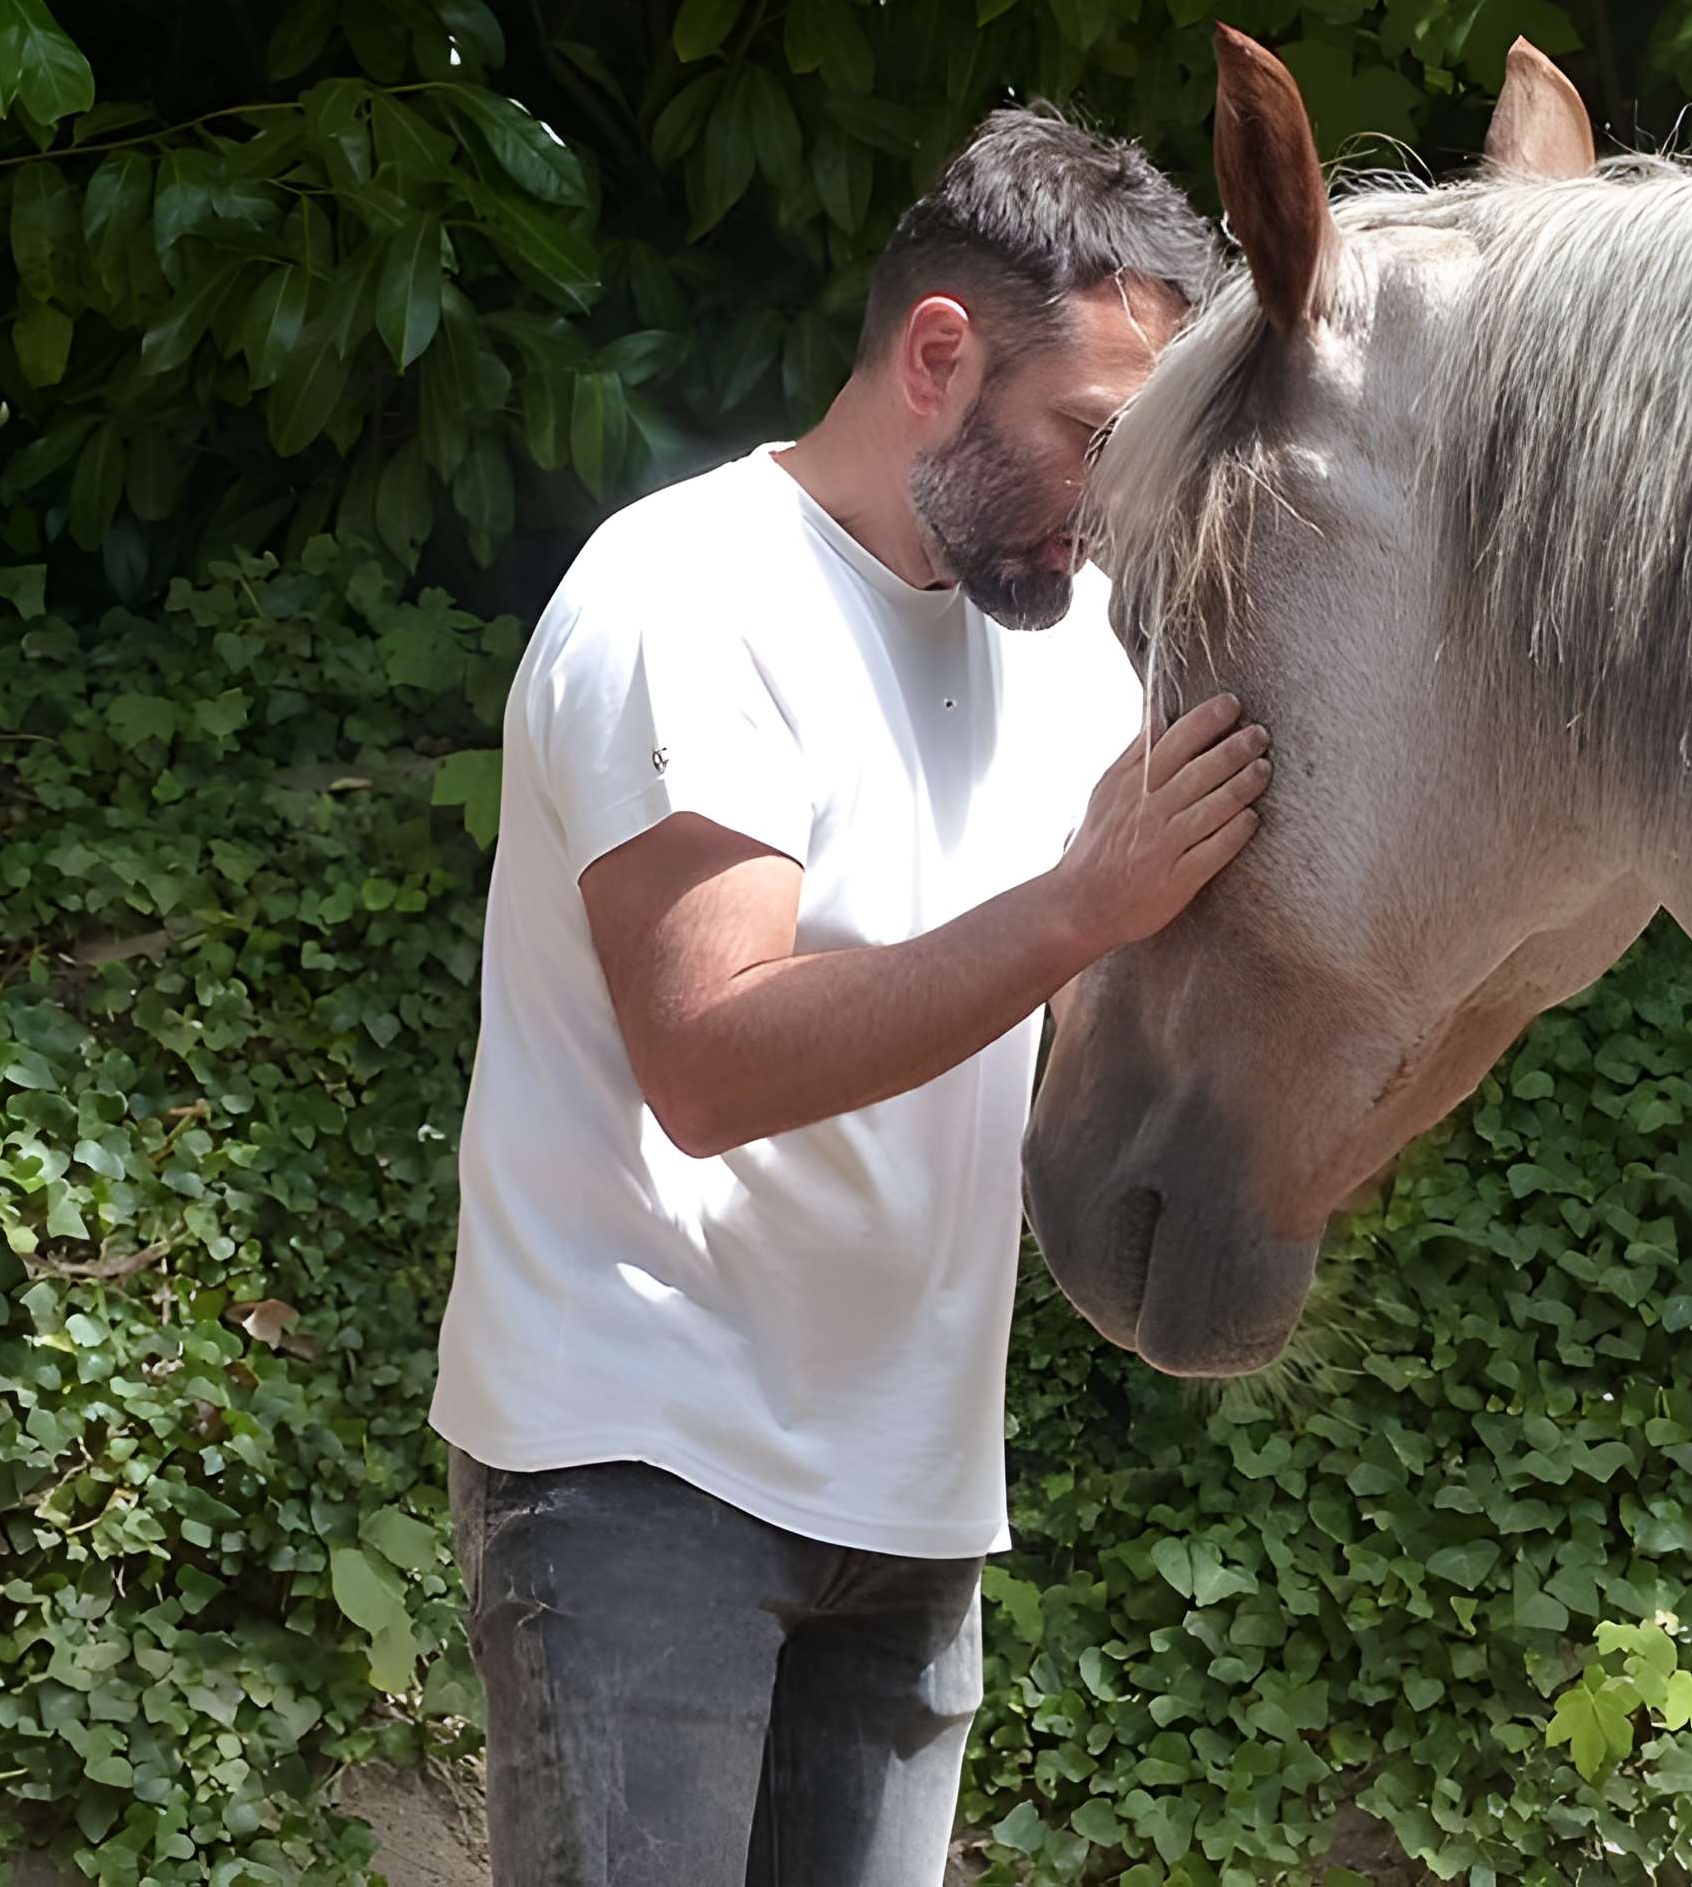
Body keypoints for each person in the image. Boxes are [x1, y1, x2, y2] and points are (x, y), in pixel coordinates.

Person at [428, 108, 1272, 1886]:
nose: (1115, 502)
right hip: (637, 1465)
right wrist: (1069, 911)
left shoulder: (1061, 636)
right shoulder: (692, 597)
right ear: (939, 354)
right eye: (1091, 439)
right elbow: (711, 1058)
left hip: (909, 1499)